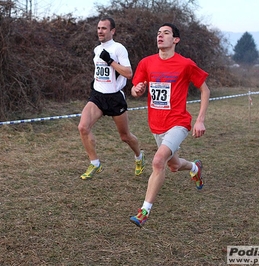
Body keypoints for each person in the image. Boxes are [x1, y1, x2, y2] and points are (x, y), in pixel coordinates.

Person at [129, 23, 210, 227]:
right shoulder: (147, 63)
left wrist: (199, 119)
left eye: (166, 33)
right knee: (173, 165)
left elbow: (205, 90)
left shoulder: (185, 64)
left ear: (176, 40)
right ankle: (194, 167)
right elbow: (134, 90)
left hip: (178, 122)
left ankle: (144, 211)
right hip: (156, 125)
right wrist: (137, 90)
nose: (160, 36)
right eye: (158, 33)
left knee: (158, 161)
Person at [77, 17, 145, 180]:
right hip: (98, 97)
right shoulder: (96, 49)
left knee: (125, 136)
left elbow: (128, 73)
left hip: (115, 98)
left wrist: (110, 61)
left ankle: (139, 157)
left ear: (112, 31)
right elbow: (100, 72)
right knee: (83, 127)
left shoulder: (118, 49)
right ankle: (95, 163)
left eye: (104, 28)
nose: (100, 31)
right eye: (99, 28)